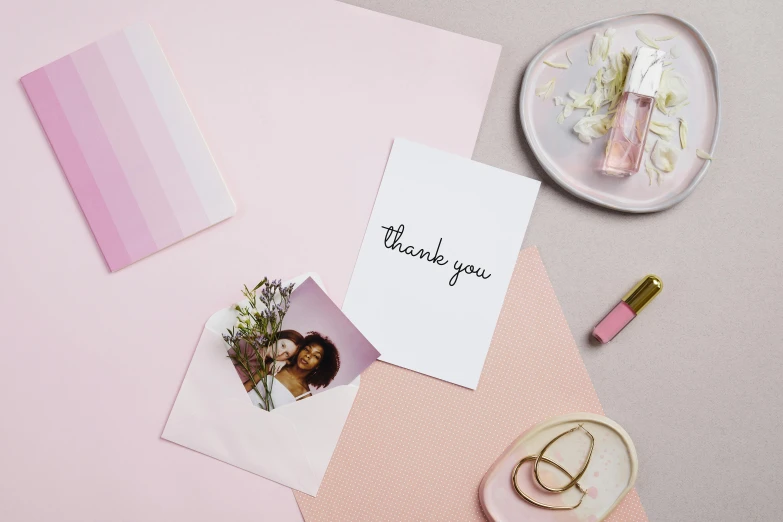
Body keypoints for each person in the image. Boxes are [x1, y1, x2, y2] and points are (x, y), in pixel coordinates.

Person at [249, 331, 341, 409]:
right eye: (306, 349)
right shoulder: (277, 365)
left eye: (316, 356)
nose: (308, 355)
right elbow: (249, 385)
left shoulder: (305, 396)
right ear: (299, 350)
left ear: (319, 365)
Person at [231, 330, 304, 390]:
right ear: (277, 338)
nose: (280, 353)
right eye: (282, 345)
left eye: (287, 354)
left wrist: (285, 362)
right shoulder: (250, 346)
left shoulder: (269, 366)